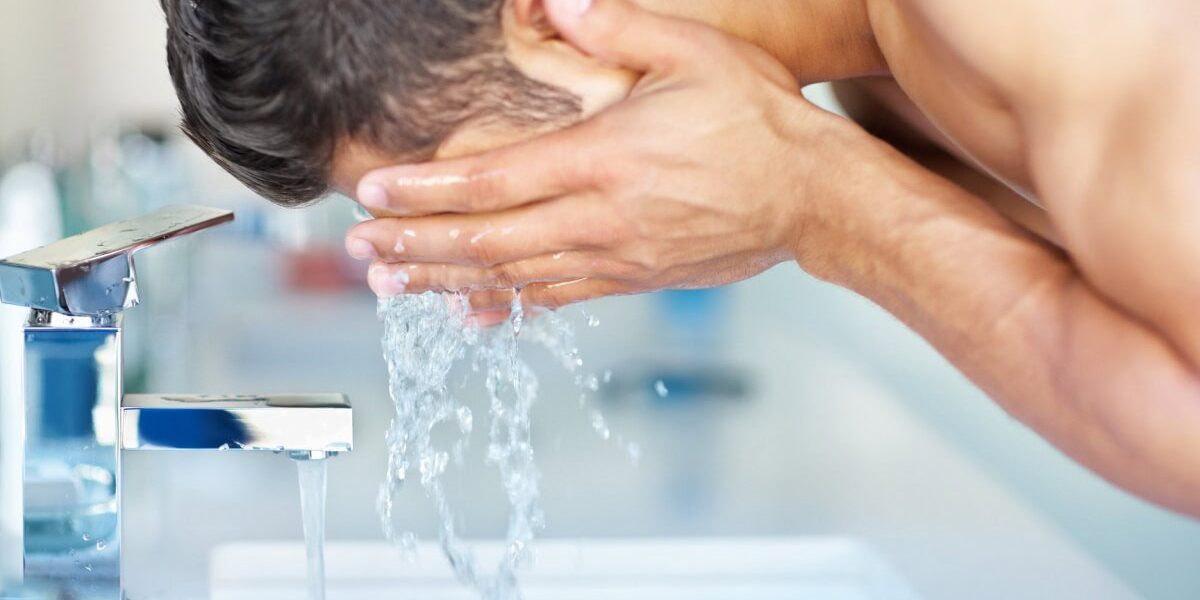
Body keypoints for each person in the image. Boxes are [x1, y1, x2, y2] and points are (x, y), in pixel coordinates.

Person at [162, 0, 1200, 518]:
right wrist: (809, 189)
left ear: (548, 22)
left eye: (478, 188)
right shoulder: (882, 79)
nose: (501, 256)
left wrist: (822, 203)